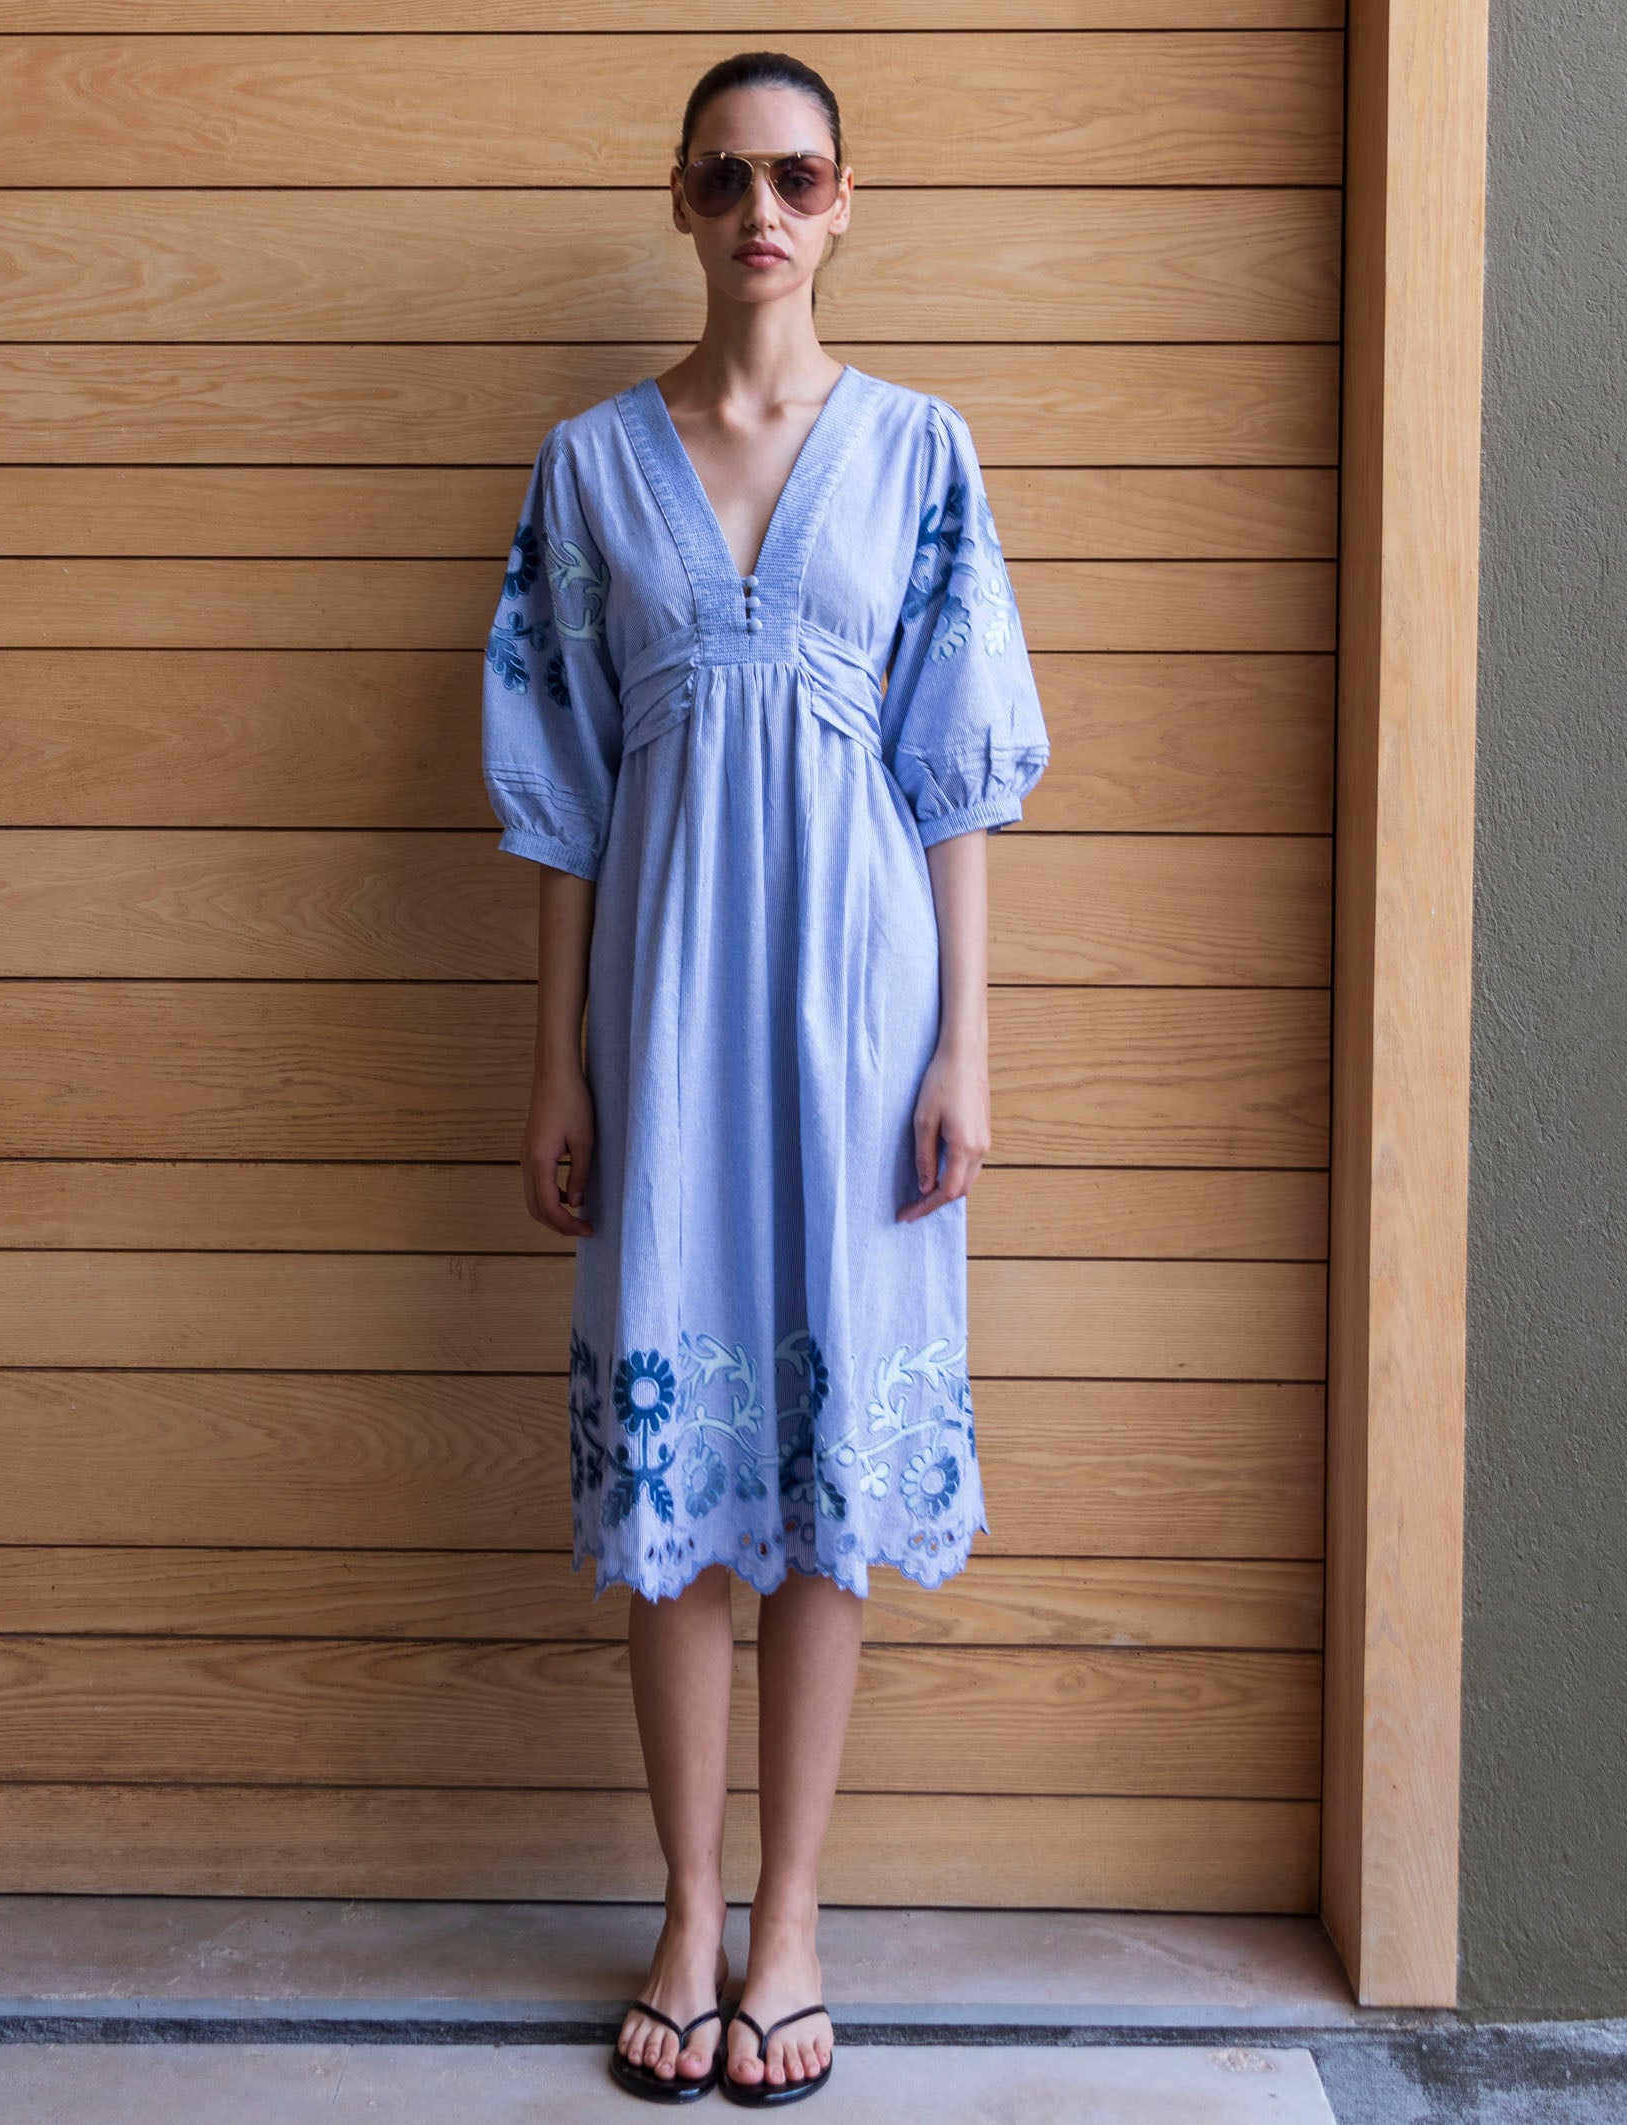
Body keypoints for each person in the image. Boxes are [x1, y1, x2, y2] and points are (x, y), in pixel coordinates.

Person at [481, 48, 1050, 2106]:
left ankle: (792, 1918)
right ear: (680, 200)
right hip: (657, 1016)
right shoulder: (582, 467)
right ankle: (686, 1905)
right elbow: (551, 795)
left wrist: (962, 1044)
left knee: (817, 1492)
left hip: (860, 1023)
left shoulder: (917, 454)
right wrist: (552, 1062)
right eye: (724, 179)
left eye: (795, 175)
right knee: (672, 1464)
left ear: (841, 200)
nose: (760, 213)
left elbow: (954, 781)